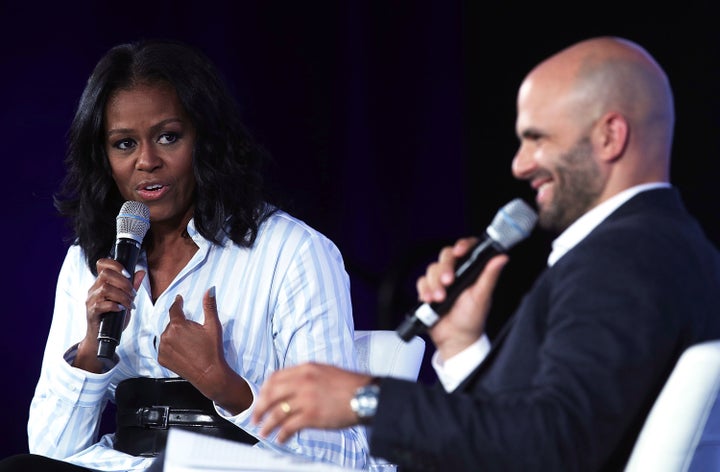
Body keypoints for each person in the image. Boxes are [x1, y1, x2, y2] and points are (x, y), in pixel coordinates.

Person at [250, 36, 720, 471]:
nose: (519, 164)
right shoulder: (667, 243)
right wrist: (461, 347)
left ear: (610, 136)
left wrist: (366, 398)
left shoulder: (623, 258)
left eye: (538, 139)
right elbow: (537, 435)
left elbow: (556, 443)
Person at [0, 40, 368, 471]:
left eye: (168, 137)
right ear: (103, 157)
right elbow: (49, 449)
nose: (147, 161)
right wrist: (90, 356)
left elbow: (345, 455)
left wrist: (227, 387)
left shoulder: (293, 252)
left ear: (206, 141)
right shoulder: (89, 262)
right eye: (124, 144)